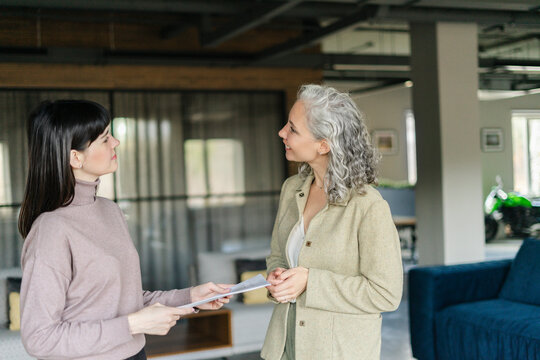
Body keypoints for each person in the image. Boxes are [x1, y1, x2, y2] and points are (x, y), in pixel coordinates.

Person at [18, 100, 231, 360]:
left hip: (135, 354)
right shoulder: (51, 230)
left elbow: (122, 300)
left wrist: (189, 297)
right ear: (75, 157)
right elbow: (40, 339)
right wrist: (134, 325)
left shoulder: (111, 211)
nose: (116, 143)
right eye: (105, 138)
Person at [261, 85, 403, 360]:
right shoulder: (292, 189)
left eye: (293, 128)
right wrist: (278, 275)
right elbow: (278, 256)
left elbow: (386, 294)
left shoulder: (368, 206)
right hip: (282, 347)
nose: (282, 133)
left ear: (323, 144)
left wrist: (310, 282)